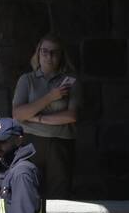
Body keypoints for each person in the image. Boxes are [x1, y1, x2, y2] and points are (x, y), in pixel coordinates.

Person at [12, 34, 80, 199]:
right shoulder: (26, 80)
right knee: (29, 192)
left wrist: (36, 117)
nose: (49, 56)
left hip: (60, 143)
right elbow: (18, 114)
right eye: (45, 51)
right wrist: (51, 97)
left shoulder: (70, 81)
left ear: (61, 55)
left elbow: (71, 116)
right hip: (31, 141)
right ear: (38, 53)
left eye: (54, 52)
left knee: (60, 194)